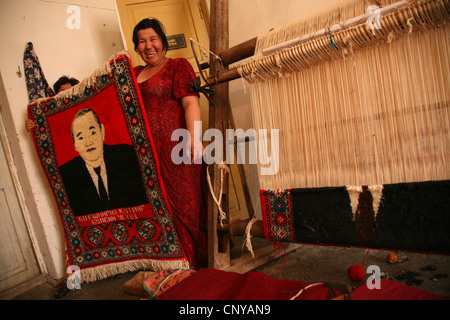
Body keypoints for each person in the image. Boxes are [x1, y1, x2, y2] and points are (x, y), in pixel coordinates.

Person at [132, 18, 207, 269]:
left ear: (163, 42)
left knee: (188, 209)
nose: (148, 45)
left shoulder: (178, 66)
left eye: (153, 39)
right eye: (141, 41)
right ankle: (174, 267)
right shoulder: (132, 75)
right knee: (160, 210)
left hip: (179, 150)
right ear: (136, 47)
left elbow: (190, 103)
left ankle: (197, 266)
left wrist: (195, 139)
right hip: (147, 157)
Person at [58, 108, 148, 216]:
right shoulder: (66, 175)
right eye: (81, 138)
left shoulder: (129, 156)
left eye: (93, 133)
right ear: (75, 145)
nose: (88, 142)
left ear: (102, 132)